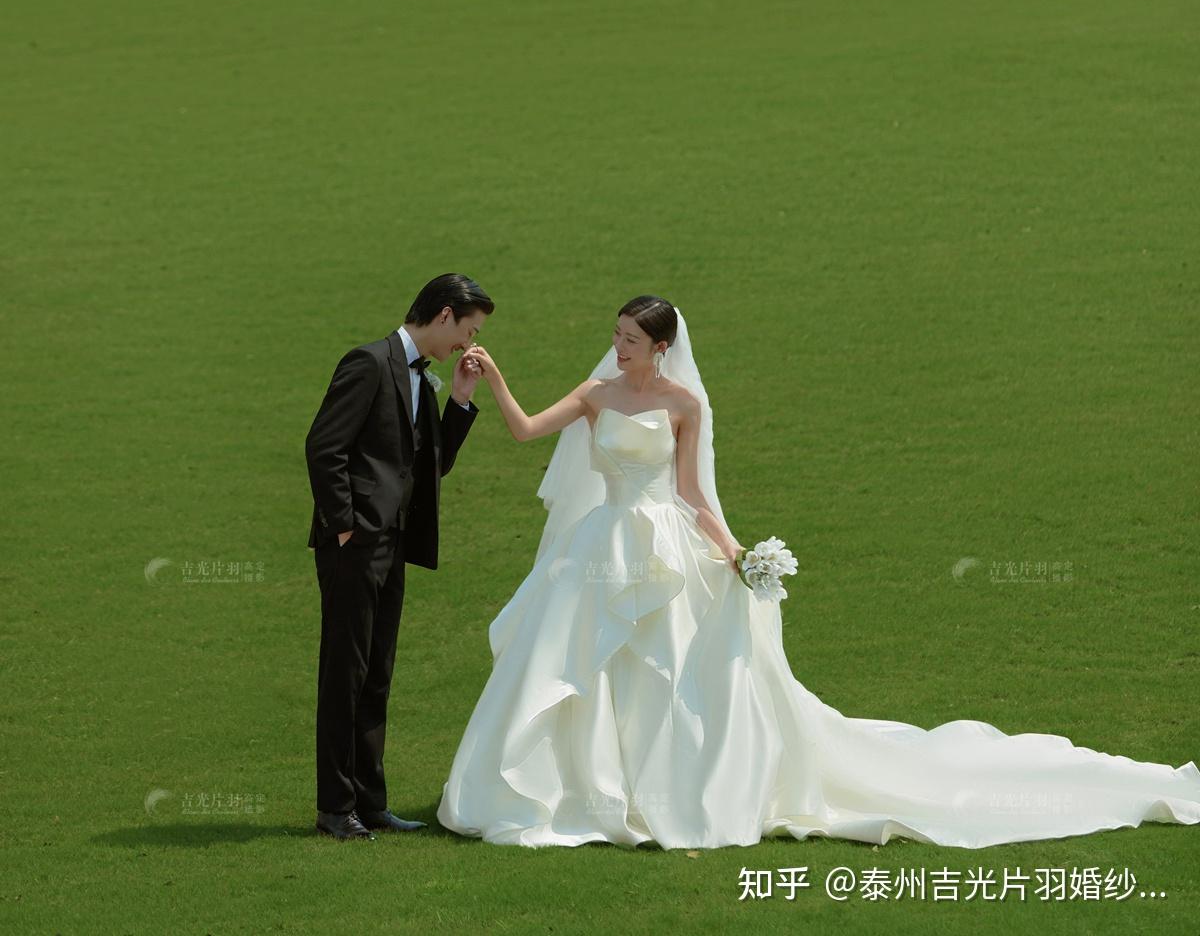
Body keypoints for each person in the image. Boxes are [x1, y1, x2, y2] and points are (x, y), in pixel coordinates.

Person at [437, 295, 1200, 849]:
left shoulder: (681, 403)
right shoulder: (596, 395)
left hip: (664, 549)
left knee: (665, 673)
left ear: (662, 347)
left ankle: (654, 792)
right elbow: (528, 430)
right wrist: (493, 379)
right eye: (617, 335)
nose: (619, 346)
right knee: (578, 667)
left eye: (632, 338)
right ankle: (582, 790)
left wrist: (738, 557)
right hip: (602, 546)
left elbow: (693, 492)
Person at [305, 272, 492, 840]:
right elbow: (323, 446)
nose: (468, 343)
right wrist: (344, 527)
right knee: (346, 673)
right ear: (443, 315)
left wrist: (459, 399)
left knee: (376, 674)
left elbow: (428, 467)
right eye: (468, 330)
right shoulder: (368, 362)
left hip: (393, 545)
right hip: (356, 545)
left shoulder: (423, 377)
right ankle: (335, 810)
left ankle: (370, 803)